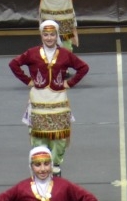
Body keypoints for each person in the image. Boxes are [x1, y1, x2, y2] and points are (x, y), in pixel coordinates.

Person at [9, 20, 88, 173]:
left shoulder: (64, 54)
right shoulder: (32, 53)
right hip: (38, 99)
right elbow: (14, 64)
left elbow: (83, 67)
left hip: (59, 99)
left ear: (56, 35)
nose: (49, 38)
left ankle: (56, 164)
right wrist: (27, 80)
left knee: (60, 135)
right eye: (46, 35)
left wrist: (70, 83)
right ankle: (42, 163)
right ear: (41, 35)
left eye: (52, 35)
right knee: (39, 135)